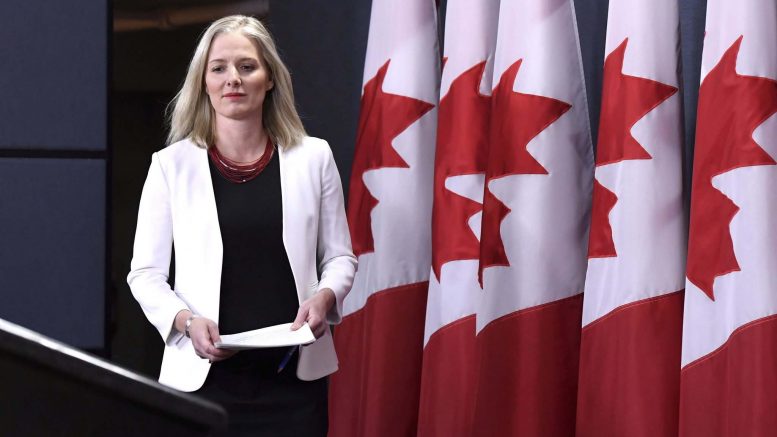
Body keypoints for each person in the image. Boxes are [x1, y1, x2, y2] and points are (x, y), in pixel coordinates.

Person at [127, 15, 356, 436]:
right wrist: (185, 321)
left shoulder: (314, 157)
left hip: (293, 378)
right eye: (219, 68)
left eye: (247, 66)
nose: (233, 78)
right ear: (204, 82)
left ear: (269, 78)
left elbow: (341, 257)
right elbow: (144, 274)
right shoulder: (170, 167)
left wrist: (325, 297)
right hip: (202, 380)